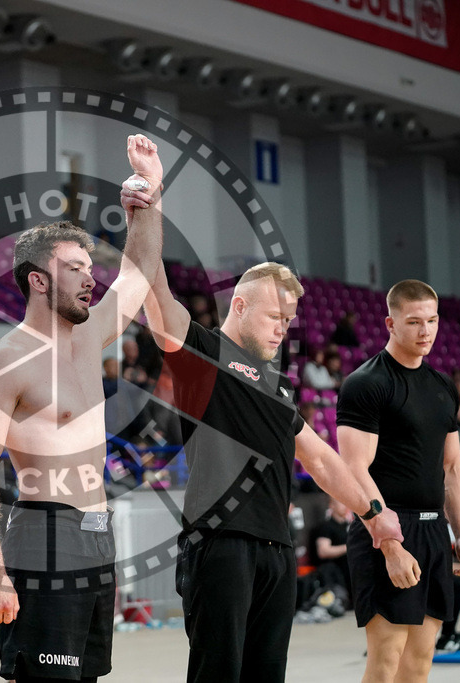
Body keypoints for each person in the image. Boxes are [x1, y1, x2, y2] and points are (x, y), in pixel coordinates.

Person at [122, 191, 399, 683]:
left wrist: (373, 516)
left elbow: (320, 459)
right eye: (276, 318)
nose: (283, 330)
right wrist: (147, 207)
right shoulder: (201, 353)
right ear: (241, 305)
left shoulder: (279, 386)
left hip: (277, 550)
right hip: (220, 545)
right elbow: (153, 287)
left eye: (289, 321)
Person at [0, 134, 164, 683]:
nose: (91, 277)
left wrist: (149, 196)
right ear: (38, 280)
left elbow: (138, 274)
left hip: (97, 535)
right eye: (75, 268)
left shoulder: (89, 338)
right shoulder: (4, 362)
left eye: (89, 266)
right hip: (43, 533)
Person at [337, 279, 460, 683]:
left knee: (419, 663)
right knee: (386, 660)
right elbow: (355, 468)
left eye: (432, 321)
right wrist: (390, 543)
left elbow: (452, 466)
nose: (425, 331)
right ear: (391, 323)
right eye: (414, 321)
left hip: (434, 532)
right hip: (387, 528)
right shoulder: (366, 383)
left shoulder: (442, 386)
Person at [309, 497, 353, 605]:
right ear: (331, 506)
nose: (345, 506)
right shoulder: (326, 527)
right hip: (334, 574)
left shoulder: (349, 526)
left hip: (351, 572)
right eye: (341, 503)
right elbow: (323, 551)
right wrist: (349, 547)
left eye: (346, 503)